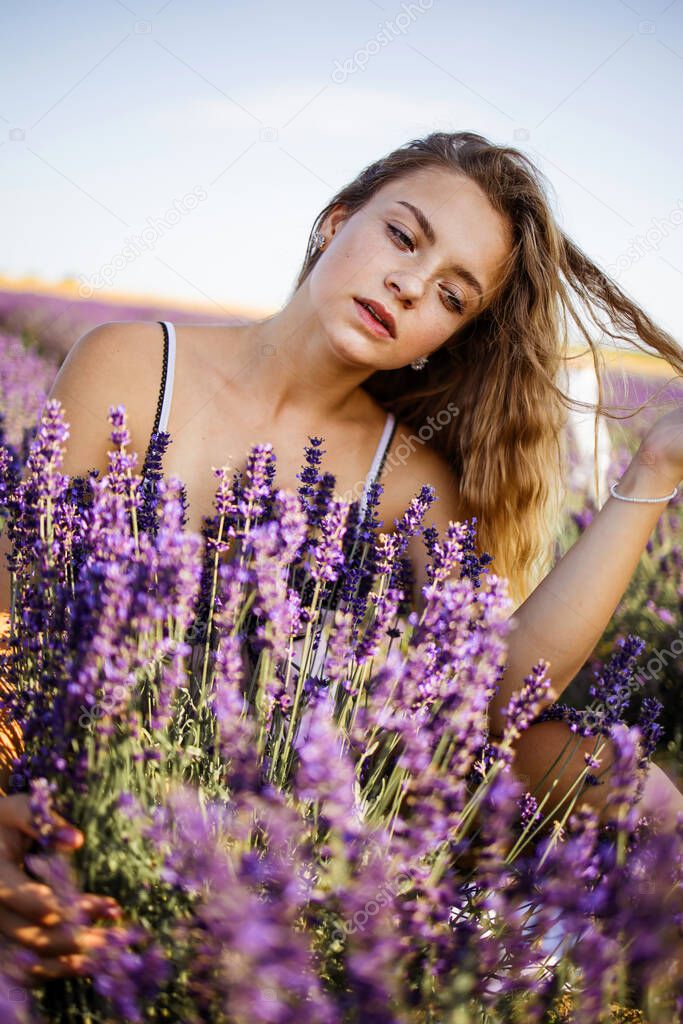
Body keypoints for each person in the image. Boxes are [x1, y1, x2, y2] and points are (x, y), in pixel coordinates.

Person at [1, 130, 682, 983]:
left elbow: (496, 696)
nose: (408, 284)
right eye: (403, 236)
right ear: (333, 222)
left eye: (451, 293)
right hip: (77, 807)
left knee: (653, 804)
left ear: (444, 337)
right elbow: (13, 615)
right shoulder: (133, 365)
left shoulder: (412, 480)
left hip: (266, 859)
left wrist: (653, 467)